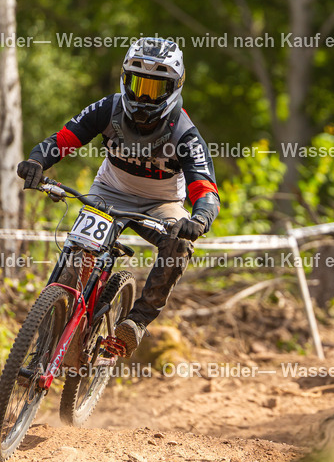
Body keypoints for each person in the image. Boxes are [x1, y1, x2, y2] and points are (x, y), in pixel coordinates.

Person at [16, 37, 219, 354]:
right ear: (125, 80)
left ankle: (136, 322)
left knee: (179, 245)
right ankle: (52, 325)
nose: (143, 96)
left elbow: (205, 188)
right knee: (78, 256)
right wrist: (37, 161)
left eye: (155, 88)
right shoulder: (108, 108)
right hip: (109, 193)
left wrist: (200, 219)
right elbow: (65, 138)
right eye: (138, 84)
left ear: (175, 88)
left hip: (161, 206)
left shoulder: (185, 133)